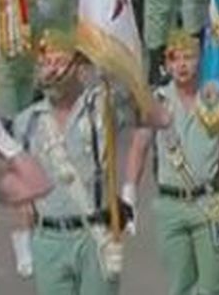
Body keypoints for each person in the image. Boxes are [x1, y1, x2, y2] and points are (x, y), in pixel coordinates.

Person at [11, 31, 136, 295]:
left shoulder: (102, 108)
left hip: (95, 235)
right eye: (46, 63)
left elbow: (133, 92)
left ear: (78, 68)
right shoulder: (27, 122)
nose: (51, 71)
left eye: (59, 62)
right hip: (49, 237)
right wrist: (22, 238)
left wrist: (106, 61)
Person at [124, 30, 219, 295]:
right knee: (179, 286)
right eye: (175, 58)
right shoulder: (157, 100)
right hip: (170, 205)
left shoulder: (217, 96)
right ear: (167, 64)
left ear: (200, 60)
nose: (182, 65)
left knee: (214, 287)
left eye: (189, 57)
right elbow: (139, 146)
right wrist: (129, 193)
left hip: (210, 203)